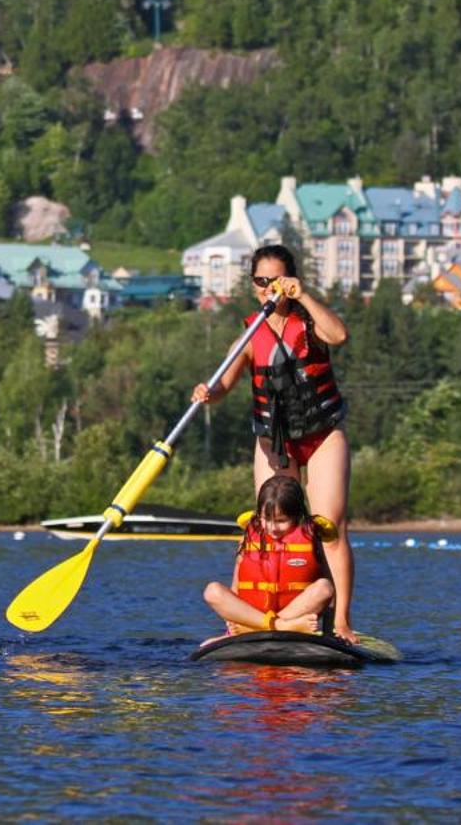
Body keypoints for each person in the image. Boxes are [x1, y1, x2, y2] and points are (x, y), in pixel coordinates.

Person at [190, 244, 357, 637]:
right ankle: (249, 620)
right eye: (261, 282)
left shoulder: (309, 321)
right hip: (273, 443)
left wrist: (304, 296)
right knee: (265, 527)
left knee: (328, 527)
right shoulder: (249, 335)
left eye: (277, 281)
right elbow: (223, 386)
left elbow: (339, 334)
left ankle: (343, 621)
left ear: (291, 280)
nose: (270, 289)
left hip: (321, 436)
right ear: (253, 285)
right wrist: (207, 393)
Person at [203, 475, 334, 636]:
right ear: (259, 514)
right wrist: (229, 630)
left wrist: (330, 631)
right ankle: (281, 626)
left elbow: (329, 589)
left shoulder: (311, 537)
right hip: (255, 616)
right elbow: (236, 586)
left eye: (281, 520)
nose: (272, 527)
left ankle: (257, 628)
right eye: (266, 519)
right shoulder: (249, 537)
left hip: (295, 613)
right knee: (212, 591)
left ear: (296, 515)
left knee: (325, 587)